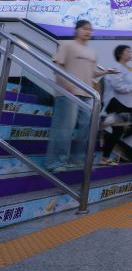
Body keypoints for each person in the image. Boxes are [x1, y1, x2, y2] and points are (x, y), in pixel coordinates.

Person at [46, 20, 117, 171]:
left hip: (87, 94)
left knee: (87, 128)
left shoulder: (92, 52)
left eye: (90, 30)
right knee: (65, 128)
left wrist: (106, 72)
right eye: (84, 29)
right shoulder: (67, 45)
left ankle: (76, 160)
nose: (88, 32)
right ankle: (56, 162)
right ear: (76, 30)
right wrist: (67, 85)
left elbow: (92, 73)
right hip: (68, 92)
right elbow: (57, 66)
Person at [100, 45, 132, 166]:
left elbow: (127, 86)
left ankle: (110, 145)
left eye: (130, 51)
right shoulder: (116, 67)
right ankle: (105, 156)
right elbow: (118, 87)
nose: (130, 53)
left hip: (126, 103)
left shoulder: (126, 69)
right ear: (120, 54)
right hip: (115, 102)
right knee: (119, 130)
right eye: (127, 51)